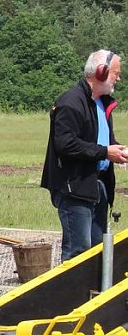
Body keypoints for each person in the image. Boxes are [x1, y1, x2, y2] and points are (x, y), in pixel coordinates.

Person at [42, 49, 128, 262]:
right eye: (116, 73)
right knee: (77, 253)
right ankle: (70, 296)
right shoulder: (71, 101)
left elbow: (101, 141)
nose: (119, 78)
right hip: (74, 188)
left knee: (97, 251)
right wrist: (105, 152)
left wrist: (118, 149)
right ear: (100, 72)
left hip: (96, 185)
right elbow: (65, 143)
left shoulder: (102, 102)